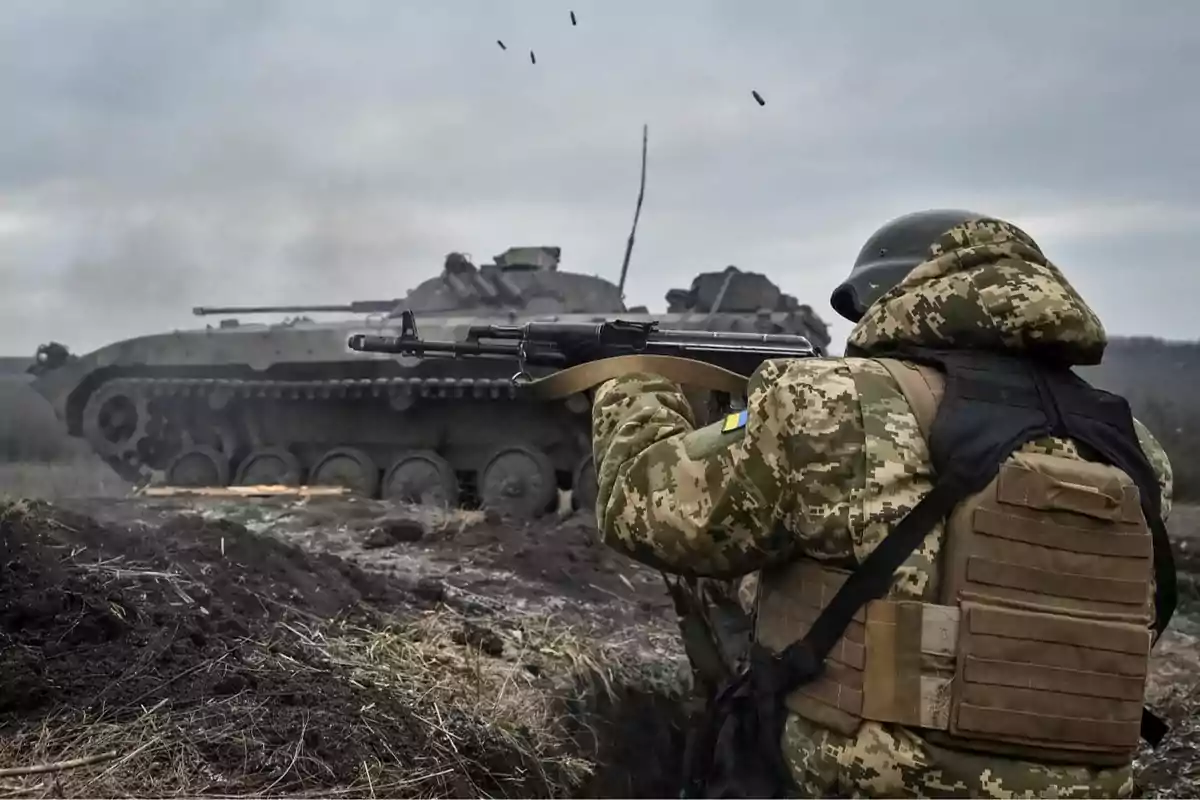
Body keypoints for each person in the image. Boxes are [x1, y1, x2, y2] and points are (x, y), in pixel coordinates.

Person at [590, 210, 1178, 798]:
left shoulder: (834, 403)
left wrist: (631, 383)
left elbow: (643, 508)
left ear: (891, 297)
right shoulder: (1134, 449)